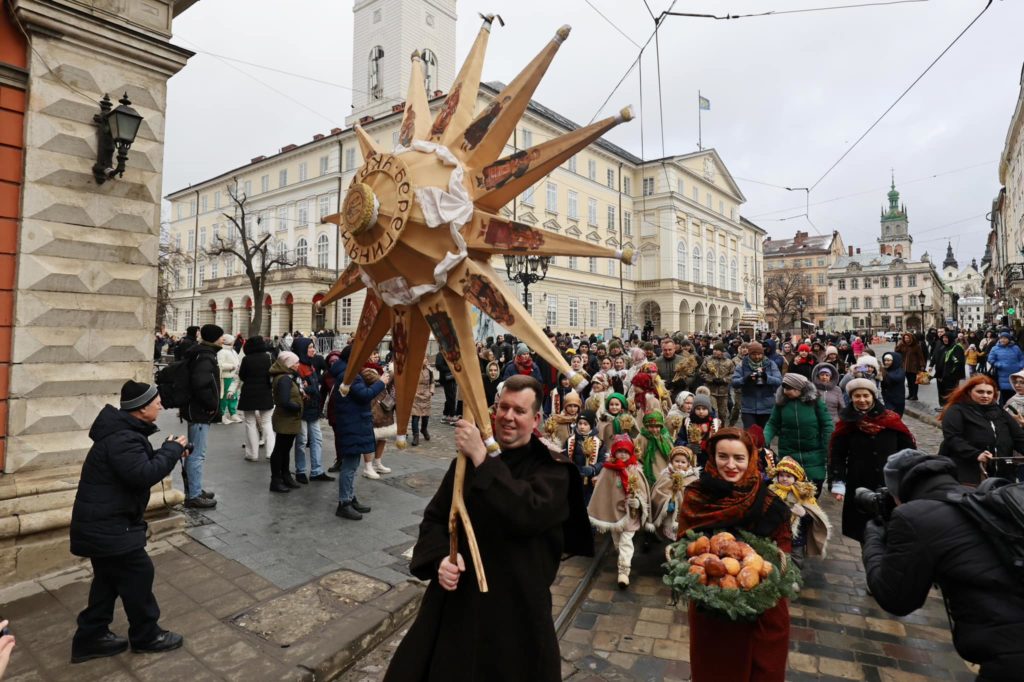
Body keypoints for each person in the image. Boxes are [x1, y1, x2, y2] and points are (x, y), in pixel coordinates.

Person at [383, 375, 592, 682]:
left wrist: (483, 459)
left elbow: (526, 513)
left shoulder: (553, 469)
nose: (508, 417)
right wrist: (441, 558)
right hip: (458, 607)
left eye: (519, 411)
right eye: (503, 407)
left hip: (515, 616)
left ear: (535, 418)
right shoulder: (465, 463)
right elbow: (437, 519)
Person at [862, 450, 1024, 682]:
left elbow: (895, 598)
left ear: (898, 491)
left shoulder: (915, 516)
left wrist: (874, 539)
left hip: (1010, 659)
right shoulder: (977, 500)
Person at [70, 381, 187, 663]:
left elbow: (136, 467)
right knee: (138, 573)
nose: (160, 405)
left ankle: (91, 636)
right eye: (156, 401)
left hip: (105, 523)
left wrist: (167, 452)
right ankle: (147, 635)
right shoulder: (123, 438)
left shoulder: (125, 434)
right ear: (141, 408)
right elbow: (142, 474)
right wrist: (170, 452)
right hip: (110, 526)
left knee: (108, 580)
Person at [677, 428, 793, 682]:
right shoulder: (697, 496)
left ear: (751, 458)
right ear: (712, 457)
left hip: (762, 610)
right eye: (723, 456)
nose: (731, 465)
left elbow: (783, 552)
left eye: (739, 458)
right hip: (712, 609)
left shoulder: (769, 503)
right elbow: (684, 543)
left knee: (763, 670)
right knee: (714, 670)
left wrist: (764, 577)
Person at [828, 378, 915, 543]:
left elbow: (909, 452)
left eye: (866, 395)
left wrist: (909, 478)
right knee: (866, 535)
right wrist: (838, 481)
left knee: (893, 533)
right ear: (851, 398)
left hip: (890, 485)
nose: (862, 400)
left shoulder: (891, 420)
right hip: (860, 484)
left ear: (873, 396)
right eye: (857, 396)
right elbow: (837, 455)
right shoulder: (847, 424)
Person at [331, 346, 388, 520]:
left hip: (353, 424)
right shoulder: (348, 377)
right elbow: (364, 395)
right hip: (352, 425)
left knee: (352, 465)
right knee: (349, 466)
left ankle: (350, 497)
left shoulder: (349, 374)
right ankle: (344, 503)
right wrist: (382, 382)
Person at [588, 434, 650, 588]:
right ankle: (622, 559)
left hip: (630, 514)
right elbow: (602, 492)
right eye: (619, 451)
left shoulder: (635, 469)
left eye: (626, 451)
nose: (623, 454)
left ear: (631, 453)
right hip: (614, 515)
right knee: (617, 541)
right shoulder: (608, 470)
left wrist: (638, 502)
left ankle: (623, 572)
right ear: (614, 452)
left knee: (625, 541)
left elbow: (642, 490)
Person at [937, 375, 1024, 486]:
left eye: (989, 393)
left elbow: (1019, 437)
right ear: (969, 392)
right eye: (980, 392)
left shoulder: (1000, 412)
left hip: (1002, 474)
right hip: (967, 473)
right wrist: (976, 454)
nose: (985, 396)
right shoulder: (957, 410)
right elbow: (953, 438)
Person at [763, 373, 833, 494]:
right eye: (784, 388)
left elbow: (827, 425)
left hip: (814, 456)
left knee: (813, 493)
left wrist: (829, 447)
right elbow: (772, 424)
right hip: (789, 455)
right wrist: (764, 440)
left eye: (789, 388)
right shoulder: (781, 404)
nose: (786, 391)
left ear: (800, 388)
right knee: (790, 496)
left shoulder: (816, 403)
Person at [180, 324, 222, 509]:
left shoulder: (201, 353)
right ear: (213, 338)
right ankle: (194, 495)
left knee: (194, 452)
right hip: (199, 411)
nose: (222, 339)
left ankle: (194, 489)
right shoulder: (205, 356)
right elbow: (202, 384)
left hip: (194, 409)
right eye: (220, 336)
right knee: (197, 454)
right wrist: (212, 405)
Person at [769, 456, 831, 564]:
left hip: (796, 539)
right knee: (775, 559)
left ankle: (795, 578)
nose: (784, 479)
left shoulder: (803, 494)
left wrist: (804, 514)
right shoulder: (772, 491)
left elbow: (814, 518)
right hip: (776, 535)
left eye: (788, 476)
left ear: (796, 477)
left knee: (796, 560)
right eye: (781, 475)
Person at [292, 338, 332, 483]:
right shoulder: (298, 367)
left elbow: (312, 386)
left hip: (313, 407)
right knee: (302, 441)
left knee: (317, 439)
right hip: (302, 409)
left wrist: (311, 388)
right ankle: (300, 470)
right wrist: (311, 389)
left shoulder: (310, 365)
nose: (313, 350)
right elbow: (299, 389)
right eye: (310, 347)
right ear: (302, 349)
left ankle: (316, 470)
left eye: (313, 347)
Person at [268, 351, 303, 493]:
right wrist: (297, 406)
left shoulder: (286, 377)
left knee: (285, 449)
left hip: (289, 419)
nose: (298, 365)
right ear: (288, 364)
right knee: (280, 450)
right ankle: (276, 480)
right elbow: (283, 401)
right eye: (296, 362)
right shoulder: (284, 379)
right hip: (286, 418)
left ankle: (285, 475)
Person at [237, 336, 275, 462]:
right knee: (267, 423)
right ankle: (271, 452)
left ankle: (252, 454)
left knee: (250, 423)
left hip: (249, 393)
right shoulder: (269, 357)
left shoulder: (246, 359)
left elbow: (242, 375)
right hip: (266, 392)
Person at [649, 446, 698, 542]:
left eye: (683, 462)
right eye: (677, 461)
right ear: (671, 462)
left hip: (684, 510)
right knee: (669, 527)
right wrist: (667, 501)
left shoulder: (692, 477)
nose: (679, 464)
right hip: (670, 512)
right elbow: (658, 492)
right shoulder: (666, 475)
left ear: (688, 464)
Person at [731, 341, 783, 429]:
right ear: (749, 354)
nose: (757, 357)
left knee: (764, 438)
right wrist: (745, 379)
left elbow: (779, 381)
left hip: (767, 407)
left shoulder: (770, 364)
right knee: (750, 436)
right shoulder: (742, 365)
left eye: (759, 354)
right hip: (748, 407)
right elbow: (734, 382)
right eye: (754, 354)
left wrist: (767, 377)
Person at [562, 410, 605, 507]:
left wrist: (593, 469)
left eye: (585, 424)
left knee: (587, 504)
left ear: (591, 425)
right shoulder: (570, 441)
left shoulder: (599, 443)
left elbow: (602, 461)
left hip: (590, 482)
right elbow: (564, 457)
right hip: (574, 479)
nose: (582, 426)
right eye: (580, 423)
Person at [364, 363, 396, 478]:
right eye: (373, 354)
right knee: (369, 440)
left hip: (384, 409)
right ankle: (368, 466)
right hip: (373, 408)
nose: (375, 357)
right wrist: (386, 376)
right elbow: (368, 376)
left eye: (376, 354)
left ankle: (377, 463)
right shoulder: (366, 369)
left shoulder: (381, 370)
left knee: (383, 438)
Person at [985, 331, 1024, 405]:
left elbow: (1022, 358)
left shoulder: (1015, 348)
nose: (1003, 340)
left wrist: (1021, 366)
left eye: (1005, 338)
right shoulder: (995, 348)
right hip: (1002, 374)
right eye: (1001, 338)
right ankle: (1004, 411)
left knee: (1016, 393)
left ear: (1009, 339)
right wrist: (999, 365)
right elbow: (990, 359)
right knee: (1005, 395)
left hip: (1015, 374)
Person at [699, 342, 734, 420]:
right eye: (714, 349)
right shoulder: (708, 360)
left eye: (717, 350)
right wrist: (711, 379)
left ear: (722, 351)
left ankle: (722, 429)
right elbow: (701, 372)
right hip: (711, 391)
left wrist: (724, 380)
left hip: (723, 392)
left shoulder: (729, 362)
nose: (715, 351)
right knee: (712, 411)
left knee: (722, 413)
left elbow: (733, 374)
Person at [934, 331, 966, 406]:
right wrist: (937, 373)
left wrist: (949, 373)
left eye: (946, 338)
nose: (945, 339)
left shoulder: (957, 347)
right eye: (943, 338)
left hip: (951, 376)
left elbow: (958, 362)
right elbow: (937, 359)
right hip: (941, 375)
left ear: (951, 338)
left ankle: (950, 407)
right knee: (942, 391)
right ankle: (943, 406)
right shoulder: (942, 347)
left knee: (950, 392)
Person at [217, 334, 242, 424]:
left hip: (234, 376)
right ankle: (222, 414)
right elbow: (220, 365)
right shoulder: (222, 351)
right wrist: (232, 366)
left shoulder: (233, 351)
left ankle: (233, 413)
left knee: (234, 396)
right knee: (225, 397)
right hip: (226, 376)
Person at [411, 356, 434, 446]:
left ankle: (424, 429)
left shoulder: (429, 371)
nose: (426, 360)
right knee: (415, 417)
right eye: (424, 358)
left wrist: (431, 391)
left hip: (426, 395)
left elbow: (432, 382)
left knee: (426, 416)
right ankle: (415, 435)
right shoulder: (414, 371)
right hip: (416, 395)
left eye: (426, 358)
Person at [879, 351, 906, 416]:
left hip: (897, 400)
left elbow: (896, 378)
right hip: (885, 399)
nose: (886, 362)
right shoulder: (885, 370)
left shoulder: (900, 371)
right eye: (885, 360)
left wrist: (883, 374)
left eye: (888, 360)